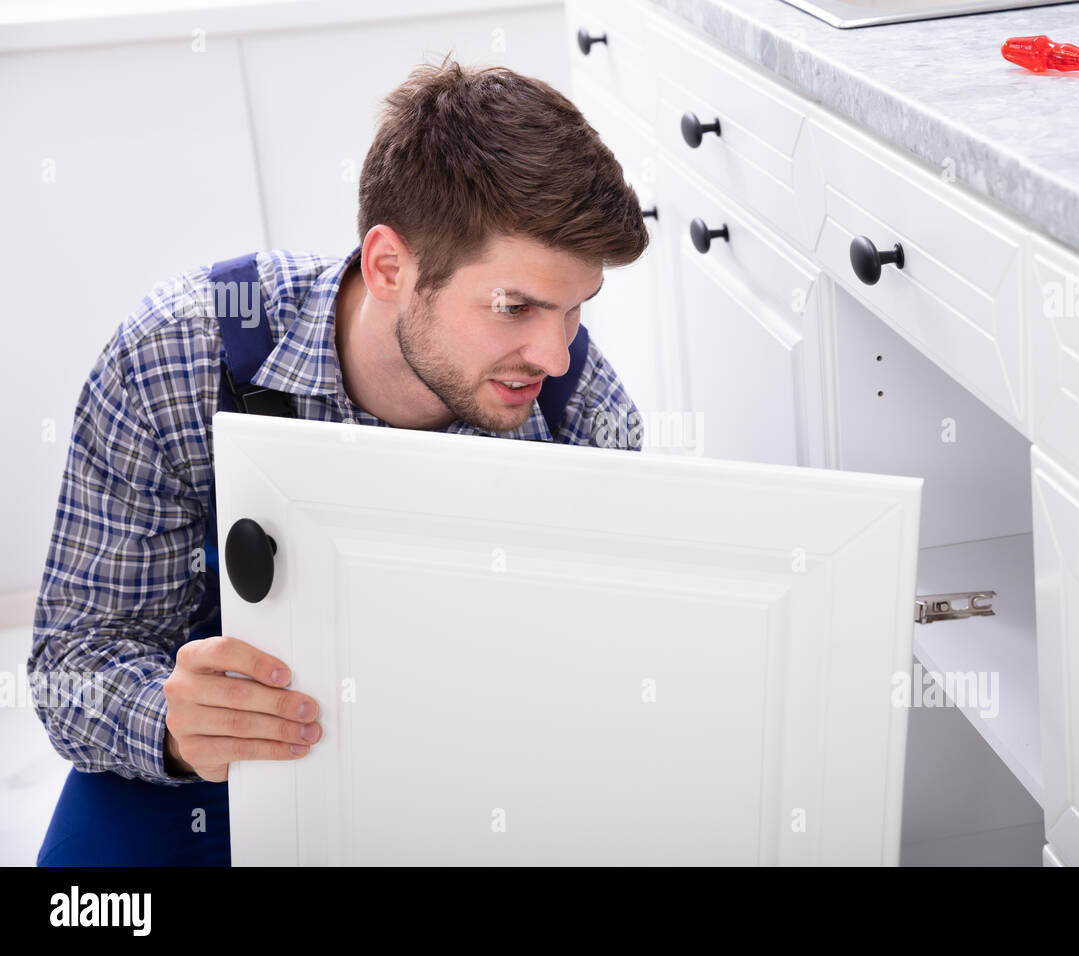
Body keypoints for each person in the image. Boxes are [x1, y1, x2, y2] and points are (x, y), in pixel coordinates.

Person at [28, 57, 649, 866]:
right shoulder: (175, 356)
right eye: (515, 307)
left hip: (462, 765)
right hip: (223, 762)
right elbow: (72, 667)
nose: (556, 357)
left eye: (574, 310)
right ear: (390, 265)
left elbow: (613, 679)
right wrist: (172, 726)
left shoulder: (585, 416)